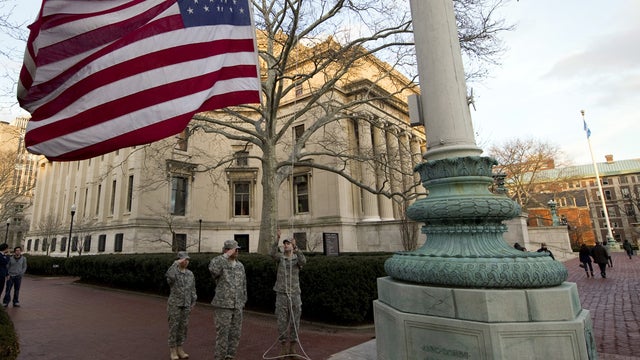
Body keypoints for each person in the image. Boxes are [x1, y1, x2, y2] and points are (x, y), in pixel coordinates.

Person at [209, 240, 246, 360]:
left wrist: (243, 300)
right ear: (227, 250)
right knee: (223, 334)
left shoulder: (240, 265)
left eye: (238, 249)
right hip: (223, 305)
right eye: (235, 249)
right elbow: (213, 269)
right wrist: (225, 256)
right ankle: (219, 357)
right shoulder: (220, 262)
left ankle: (230, 356)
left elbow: (243, 284)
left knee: (235, 334)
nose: (237, 251)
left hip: (237, 305)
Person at [270, 235, 307, 357]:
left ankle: (293, 347)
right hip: (281, 294)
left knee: (295, 321)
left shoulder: (297, 259)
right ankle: (283, 347)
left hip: (295, 294)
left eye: (288, 243)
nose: (286, 245)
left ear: (292, 245)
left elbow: (304, 261)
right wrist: (277, 239)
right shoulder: (280, 258)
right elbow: (272, 253)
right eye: (284, 243)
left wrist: (296, 248)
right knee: (282, 321)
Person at [166, 251, 197, 360]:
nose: (186, 261)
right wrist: (175, 264)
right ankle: (173, 350)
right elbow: (169, 276)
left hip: (186, 304)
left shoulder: (190, 274)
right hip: (175, 304)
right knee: (174, 327)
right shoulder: (174, 273)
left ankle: (180, 348)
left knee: (183, 327)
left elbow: (193, 288)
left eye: (187, 259)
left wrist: (193, 300)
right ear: (179, 260)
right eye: (184, 259)